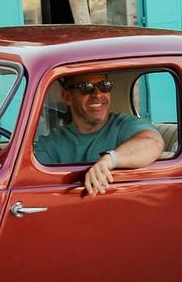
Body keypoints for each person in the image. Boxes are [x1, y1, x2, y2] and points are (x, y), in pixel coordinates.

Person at [33, 71, 164, 195]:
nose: (97, 94)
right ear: (68, 97)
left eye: (104, 86)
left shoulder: (124, 125)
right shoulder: (51, 144)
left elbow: (153, 142)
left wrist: (108, 160)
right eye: (86, 87)